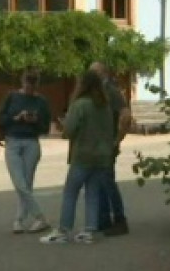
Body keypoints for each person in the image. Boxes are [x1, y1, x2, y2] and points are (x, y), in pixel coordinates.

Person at [42, 70, 116, 245]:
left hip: (82, 154)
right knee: (92, 193)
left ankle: (64, 229)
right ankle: (89, 230)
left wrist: (64, 124)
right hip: (102, 155)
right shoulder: (105, 106)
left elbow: (68, 130)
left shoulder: (80, 105)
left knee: (71, 192)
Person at [0, 69, 52, 234]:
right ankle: (40, 217)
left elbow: (45, 128)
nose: (30, 87)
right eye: (28, 82)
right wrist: (16, 117)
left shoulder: (41, 101)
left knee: (27, 183)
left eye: (33, 83)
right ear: (22, 81)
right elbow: (0, 118)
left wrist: (35, 120)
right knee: (19, 182)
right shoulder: (12, 97)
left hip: (31, 143)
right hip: (12, 141)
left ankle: (19, 220)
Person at [90, 61, 132, 236]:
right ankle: (103, 219)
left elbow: (125, 115)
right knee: (100, 181)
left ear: (102, 73)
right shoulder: (98, 92)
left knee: (107, 182)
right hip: (97, 145)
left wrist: (117, 140)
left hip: (107, 145)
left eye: (94, 73)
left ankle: (120, 220)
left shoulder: (111, 92)